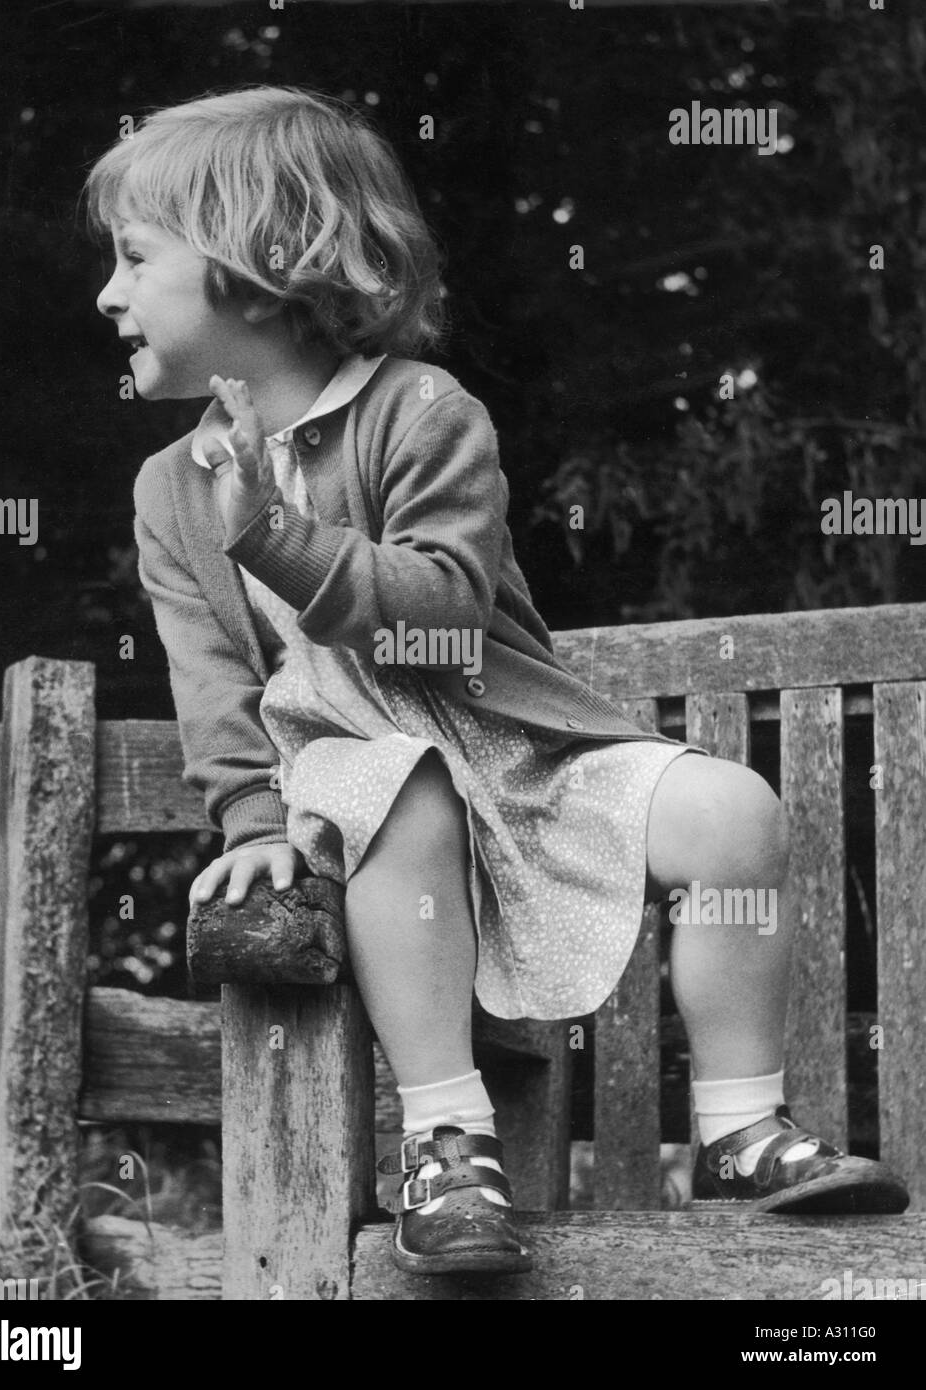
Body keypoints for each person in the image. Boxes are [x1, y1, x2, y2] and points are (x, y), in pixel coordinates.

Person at [87, 85, 909, 1278]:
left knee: (739, 809)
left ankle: (739, 1126)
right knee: (398, 786)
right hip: (359, 784)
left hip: (523, 754)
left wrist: (276, 535)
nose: (108, 294)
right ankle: (447, 1142)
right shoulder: (171, 491)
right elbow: (213, 681)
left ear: (257, 261)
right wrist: (252, 818)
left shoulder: (422, 412)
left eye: (133, 258)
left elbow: (443, 612)